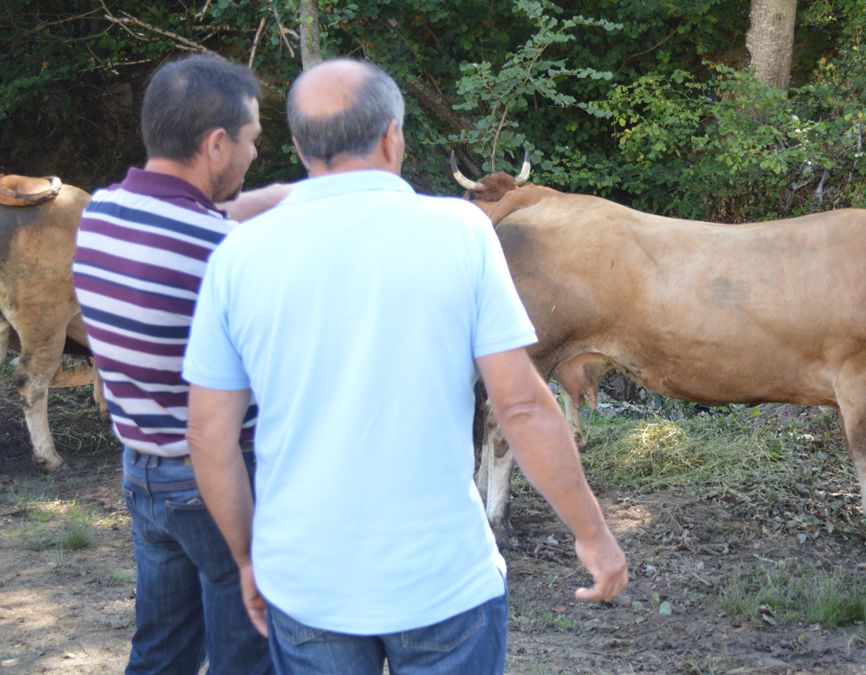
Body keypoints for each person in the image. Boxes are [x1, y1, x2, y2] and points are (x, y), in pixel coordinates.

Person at [182, 57, 628, 674]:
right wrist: (593, 534)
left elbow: (208, 434)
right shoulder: (461, 232)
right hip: (443, 582)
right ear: (393, 136)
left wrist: (247, 559)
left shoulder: (239, 253)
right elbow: (520, 405)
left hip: (309, 584)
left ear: (300, 144)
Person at [72, 53, 290, 674]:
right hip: (219, 479)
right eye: (250, 142)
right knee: (245, 657)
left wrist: (268, 198)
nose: (253, 155)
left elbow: (189, 224)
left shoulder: (102, 214)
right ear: (216, 144)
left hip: (144, 473)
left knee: (161, 651)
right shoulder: (226, 254)